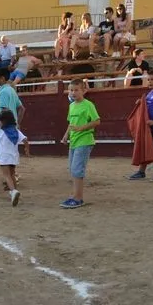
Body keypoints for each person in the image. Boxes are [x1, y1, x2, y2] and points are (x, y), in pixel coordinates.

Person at [60, 79, 100, 208]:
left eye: (76, 90)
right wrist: (66, 135)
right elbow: (71, 124)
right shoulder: (72, 106)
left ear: (83, 91)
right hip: (74, 141)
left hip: (85, 140)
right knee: (73, 169)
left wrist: (81, 128)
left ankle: (78, 198)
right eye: (71, 90)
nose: (73, 93)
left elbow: (97, 121)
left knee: (77, 169)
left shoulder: (88, 105)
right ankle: (75, 196)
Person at [0, 109, 26, 207]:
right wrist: (27, 150)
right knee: (12, 175)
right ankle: (14, 193)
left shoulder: (1, 132)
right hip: (13, 157)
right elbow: (25, 140)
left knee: (6, 176)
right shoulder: (16, 130)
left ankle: (14, 191)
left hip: (4, 157)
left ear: (2, 122)